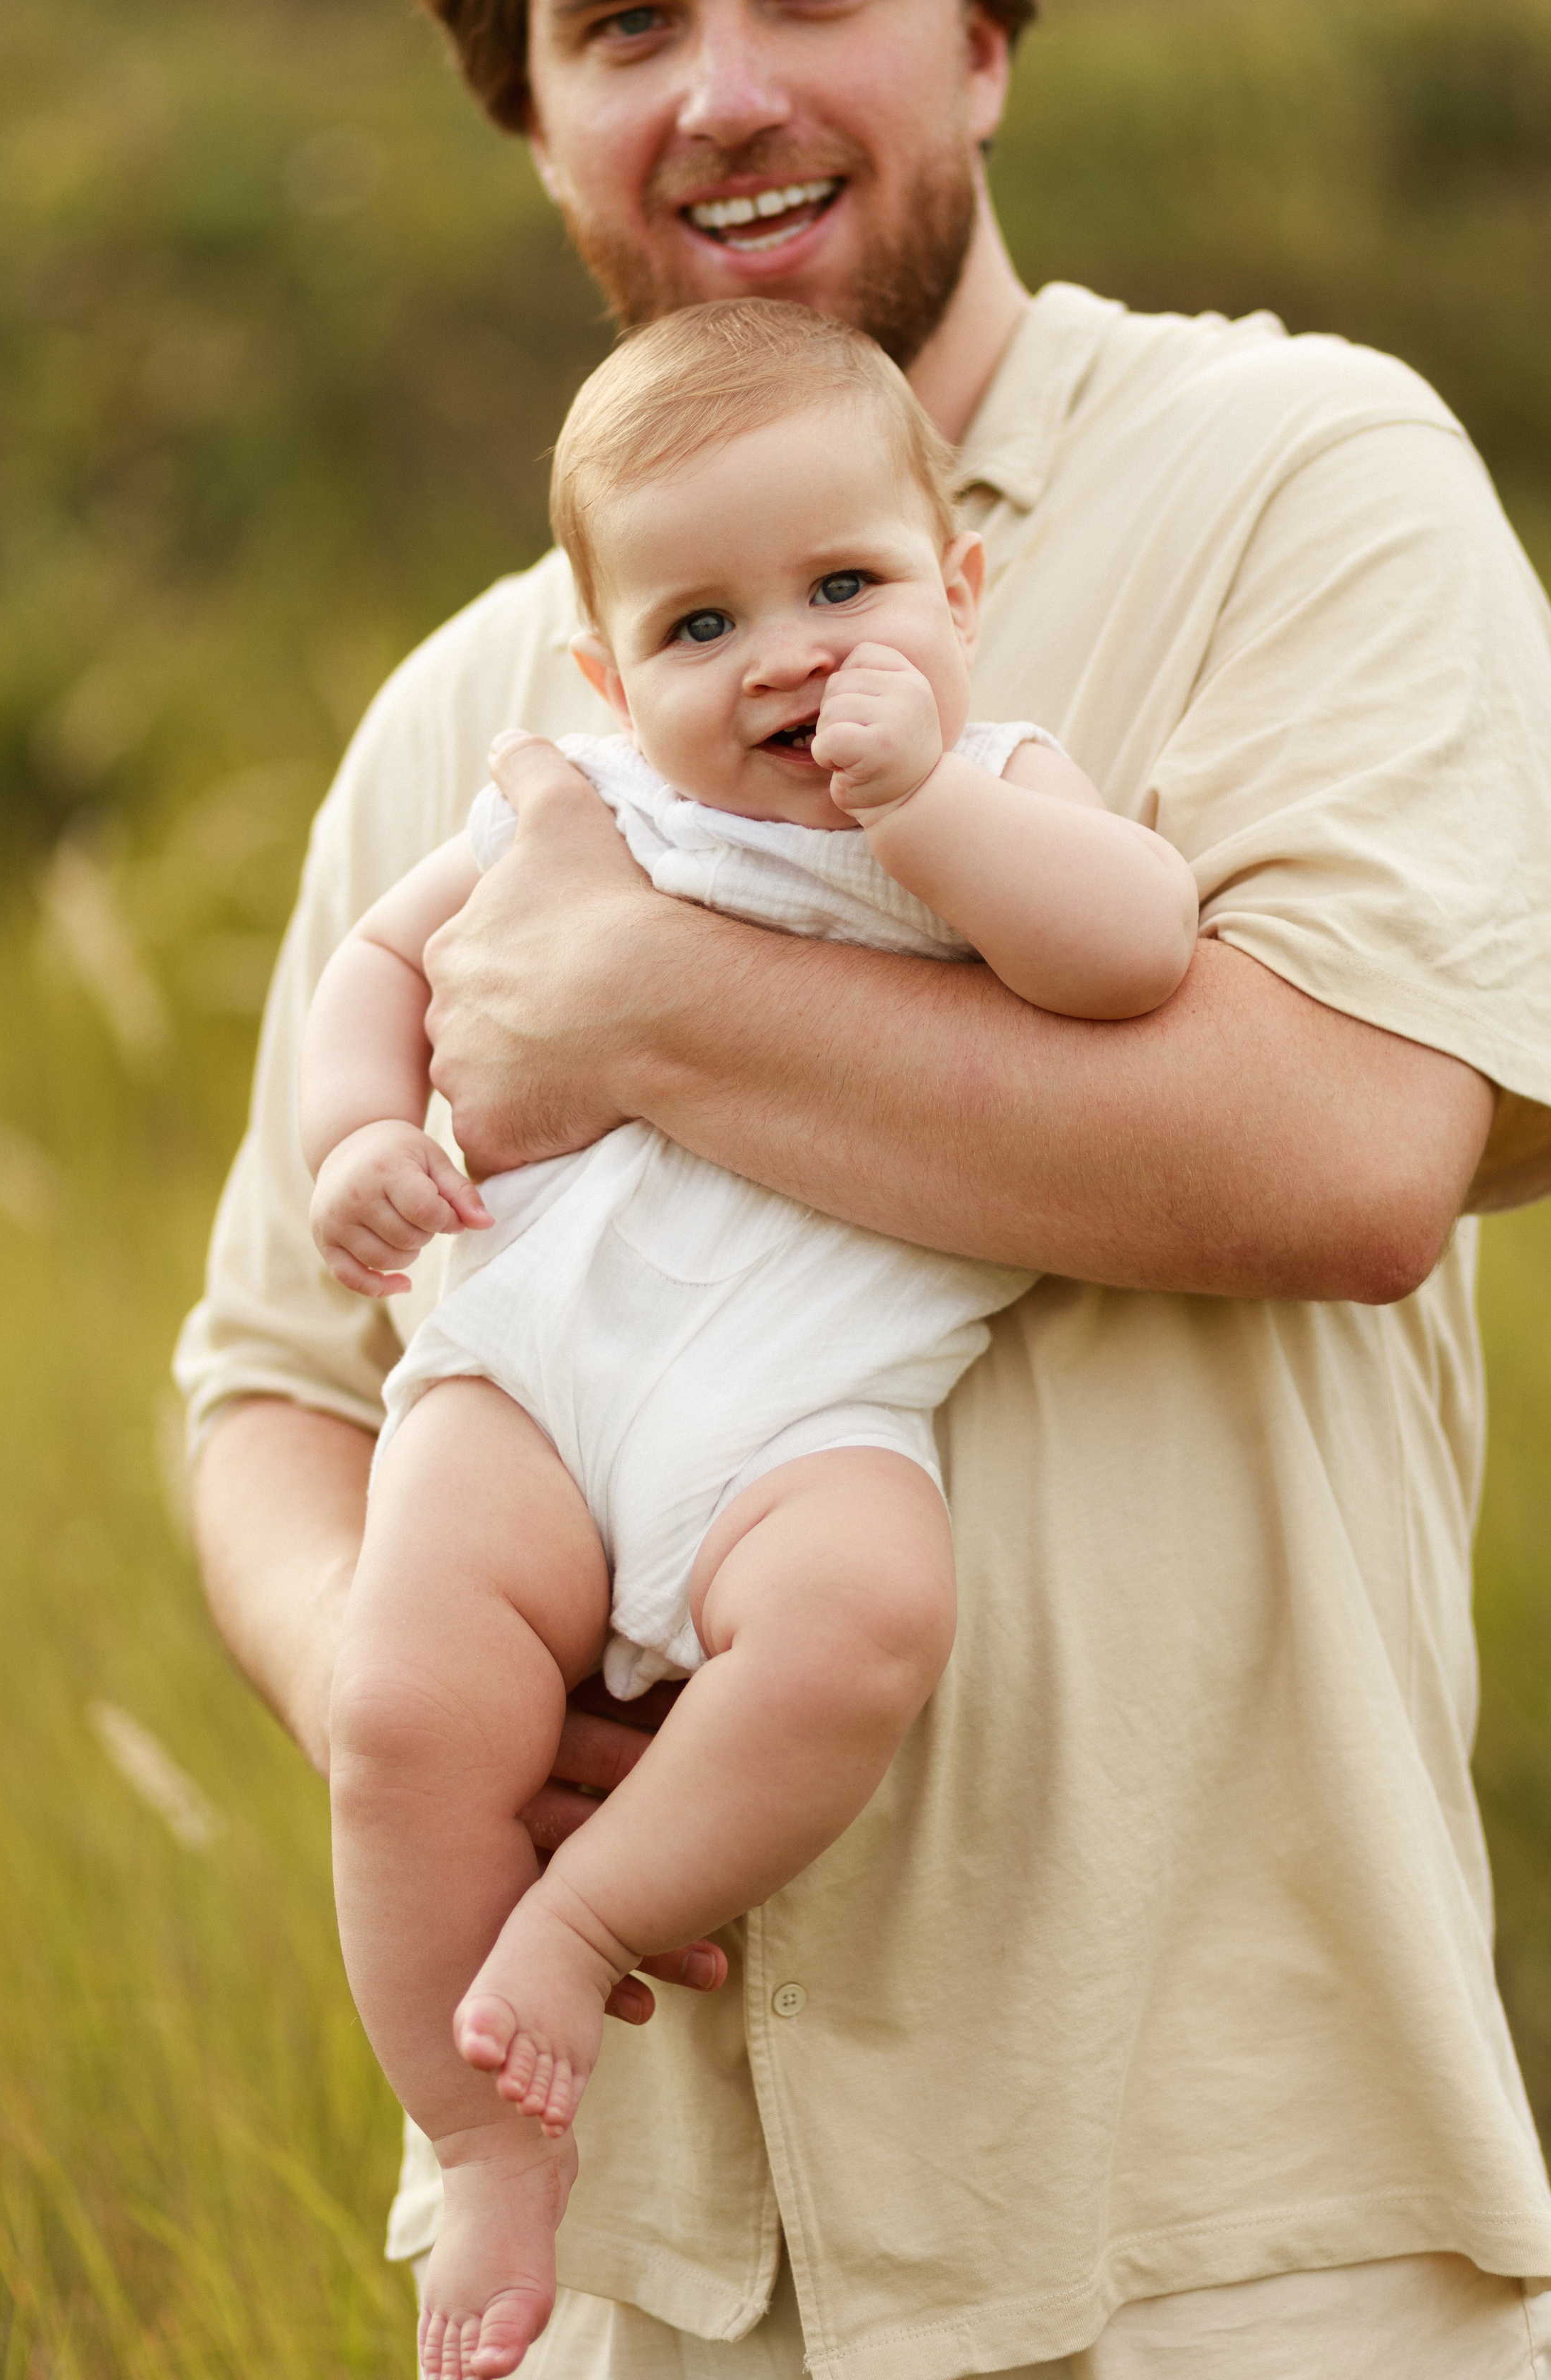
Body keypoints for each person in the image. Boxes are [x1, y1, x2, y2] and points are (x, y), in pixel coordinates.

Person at [175, 0, 1551, 2374]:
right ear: (530, 113)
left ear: (982, 30)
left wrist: (634, 1001)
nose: (726, 93)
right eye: (624, 22)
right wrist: (422, 1677)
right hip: (631, 2262)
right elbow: (267, 1392)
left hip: (1235, 2222)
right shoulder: (471, 709)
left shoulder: (1304, 478)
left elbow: (1346, 1160)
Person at [306, 299, 1198, 2379]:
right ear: (611, 678)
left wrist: (927, 809)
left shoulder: (999, 790)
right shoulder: (582, 803)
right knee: (400, 1712)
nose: (789, 655)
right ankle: (486, 2140)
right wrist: (359, 1130)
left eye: (847, 588)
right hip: (536, 1363)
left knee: (869, 1620)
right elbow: (382, 961)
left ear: (960, 587)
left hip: (805, 1411)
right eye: (701, 626)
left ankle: (591, 1915)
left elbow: (1136, 952)